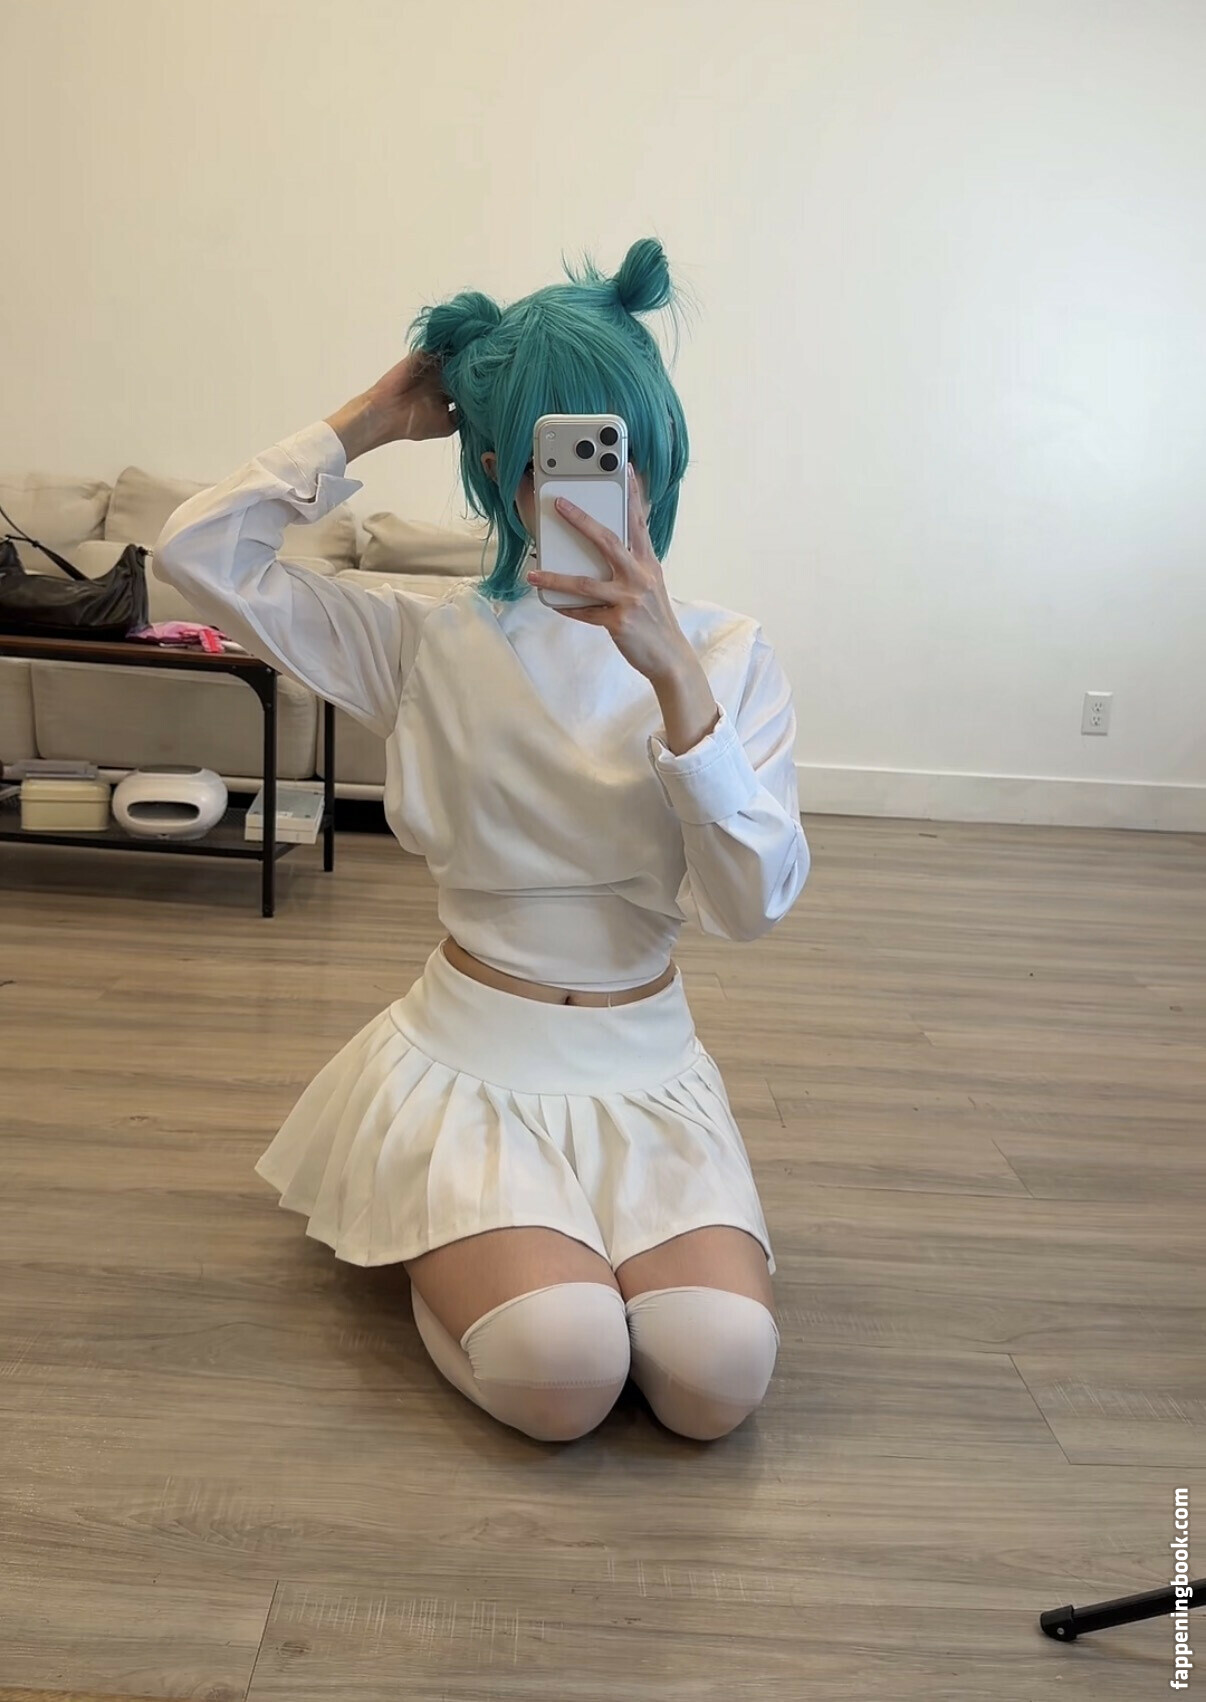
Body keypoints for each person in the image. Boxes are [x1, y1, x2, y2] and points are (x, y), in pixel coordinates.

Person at [154, 238, 810, 1445]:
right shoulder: (422, 639)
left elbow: (752, 904)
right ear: (505, 472)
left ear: (659, 457)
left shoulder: (727, 656)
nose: (606, 488)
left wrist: (672, 678)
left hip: (650, 1067)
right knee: (562, 1373)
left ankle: (513, 1255)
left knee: (719, 1379)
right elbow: (195, 555)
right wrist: (368, 419)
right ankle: (447, 1233)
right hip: (474, 1062)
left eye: (623, 453)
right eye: (565, 456)